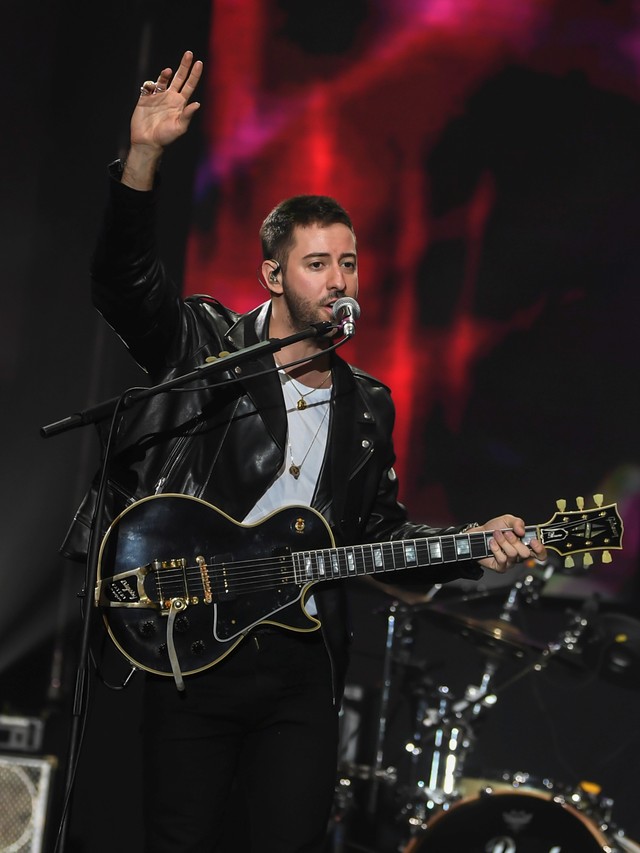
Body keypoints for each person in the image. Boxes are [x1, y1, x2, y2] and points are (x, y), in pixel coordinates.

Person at [62, 50, 547, 853]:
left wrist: (475, 546)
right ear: (273, 273)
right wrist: (143, 157)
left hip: (298, 666)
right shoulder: (205, 344)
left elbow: (379, 536)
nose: (337, 280)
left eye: (348, 263)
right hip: (193, 644)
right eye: (317, 263)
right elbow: (123, 283)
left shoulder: (368, 406)